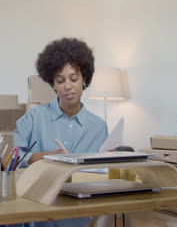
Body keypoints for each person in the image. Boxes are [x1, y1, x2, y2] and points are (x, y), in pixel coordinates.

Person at [14, 37, 108, 227]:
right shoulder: (33, 118)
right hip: (36, 213)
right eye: (60, 80)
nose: (68, 86)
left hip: (78, 214)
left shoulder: (98, 126)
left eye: (74, 78)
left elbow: (101, 173)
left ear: (84, 80)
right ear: (53, 84)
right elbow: (9, 155)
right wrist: (37, 158)